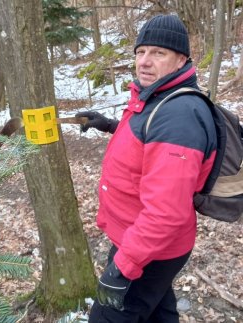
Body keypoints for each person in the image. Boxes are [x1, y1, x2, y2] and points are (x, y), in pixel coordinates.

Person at [76, 15, 217, 322]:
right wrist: (109, 125)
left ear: (181, 60)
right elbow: (149, 148)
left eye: (158, 53)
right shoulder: (157, 98)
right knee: (159, 313)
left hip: (149, 247)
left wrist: (122, 266)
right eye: (141, 52)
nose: (145, 61)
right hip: (144, 240)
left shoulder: (178, 116)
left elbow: (166, 214)